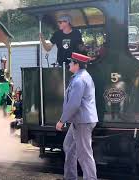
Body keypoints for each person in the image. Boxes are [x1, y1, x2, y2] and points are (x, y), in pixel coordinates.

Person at [56, 52, 98, 180]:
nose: (69, 64)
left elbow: (73, 104)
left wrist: (62, 120)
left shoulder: (79, 80)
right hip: (79, 120)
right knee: (69, 146)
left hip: (82, 121)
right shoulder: (81, 76)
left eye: (71, 62)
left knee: (84, 154)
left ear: (77, 64)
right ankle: (69, 177)